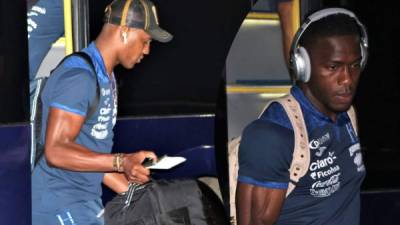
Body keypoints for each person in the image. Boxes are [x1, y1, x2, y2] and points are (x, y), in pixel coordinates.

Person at [31, 0, 172, 224]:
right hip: (59, 205)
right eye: (145, 41)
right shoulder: (79, 77)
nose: (147, 50)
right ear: (125, 31)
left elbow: (91, 158)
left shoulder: (105, 78)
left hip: (84, 203)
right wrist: (121, 161)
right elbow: (56, 151)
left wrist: (144, 198)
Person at [236, 8, 367, 225]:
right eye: (333, 67)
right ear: (302, 66)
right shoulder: (271, 135)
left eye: (354, 65)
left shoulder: (347, 116)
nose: (347, 80)